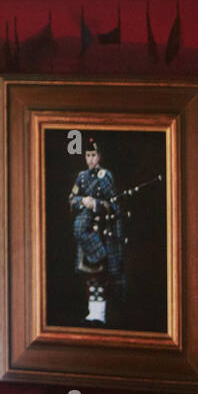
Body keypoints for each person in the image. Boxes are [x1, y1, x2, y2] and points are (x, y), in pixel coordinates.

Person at [68, 136, 121, 327]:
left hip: (99, 234)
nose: (90, 159)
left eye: (93, 155)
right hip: (85, 234)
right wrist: (82, 201)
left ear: (99, 156)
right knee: (89, 276)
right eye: (87, 155)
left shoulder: (106, 177)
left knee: (100, 275)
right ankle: (93, 313)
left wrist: (96, 204)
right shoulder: (81, 177)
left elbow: (114, 207)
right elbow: (71, 199)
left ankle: (101, 314)